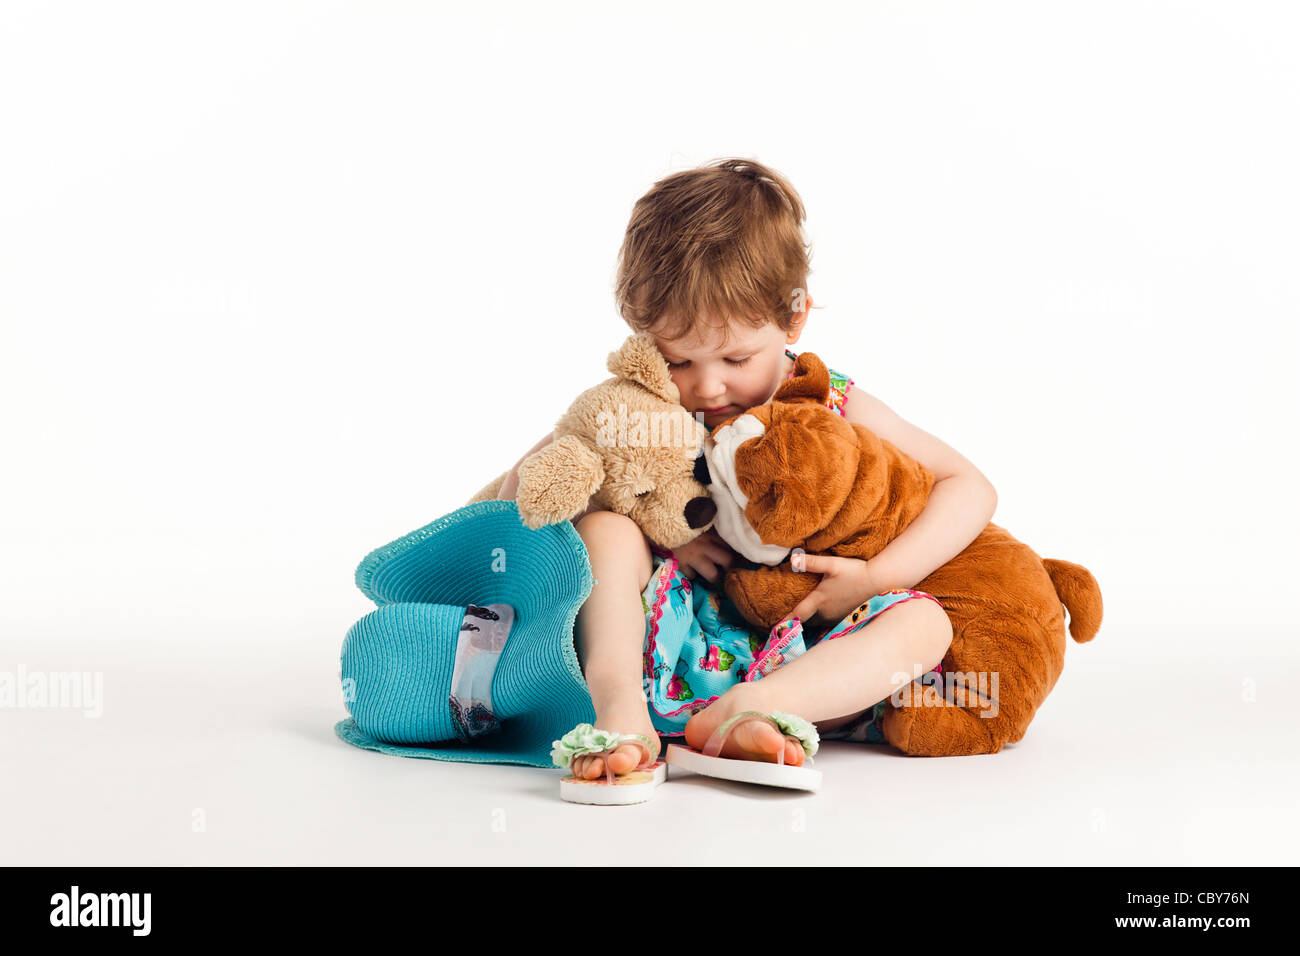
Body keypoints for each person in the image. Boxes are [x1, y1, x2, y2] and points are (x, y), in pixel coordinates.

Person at [498, 158, 997, 781]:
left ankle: (755, 711)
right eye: (677, 359)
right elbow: (514, 496)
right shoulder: (638, 406)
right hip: (664, 637)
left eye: (737, 357)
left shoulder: (826, 401)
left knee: (925, 624)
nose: (707, 386)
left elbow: (971, 487)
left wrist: (877, 576)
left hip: (805, 645)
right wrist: (649, 524)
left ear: (793, 319)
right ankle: (621, 709)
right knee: (606, 532)